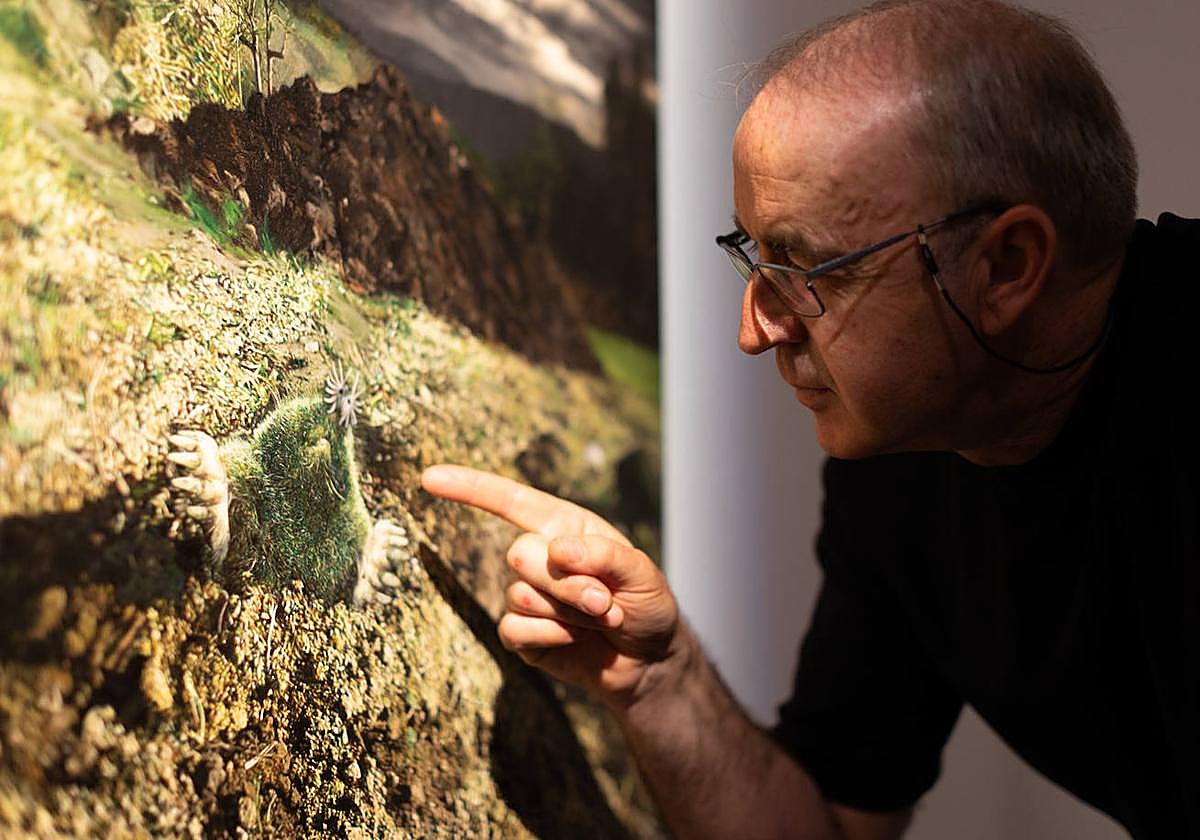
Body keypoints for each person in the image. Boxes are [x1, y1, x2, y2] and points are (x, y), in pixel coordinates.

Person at [422, 0, 1199, 837]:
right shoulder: (903, 465)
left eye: (805, 269)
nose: (753, 332)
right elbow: (828, 827)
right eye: (753, 259)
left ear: (1006, 267)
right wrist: (659, 679)